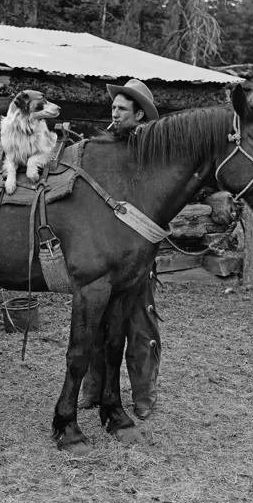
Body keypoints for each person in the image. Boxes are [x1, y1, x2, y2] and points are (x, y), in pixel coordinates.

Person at [79, 79, 162, 419]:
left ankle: (143, 396)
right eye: (113, 107)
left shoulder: (152, 150)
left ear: (139, 114)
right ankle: (93, 389)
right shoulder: (104, 144)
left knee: (140, 324)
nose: (115, 112)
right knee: (97, 320)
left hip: (138, 249)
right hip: (105, 250)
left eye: (122, 108)